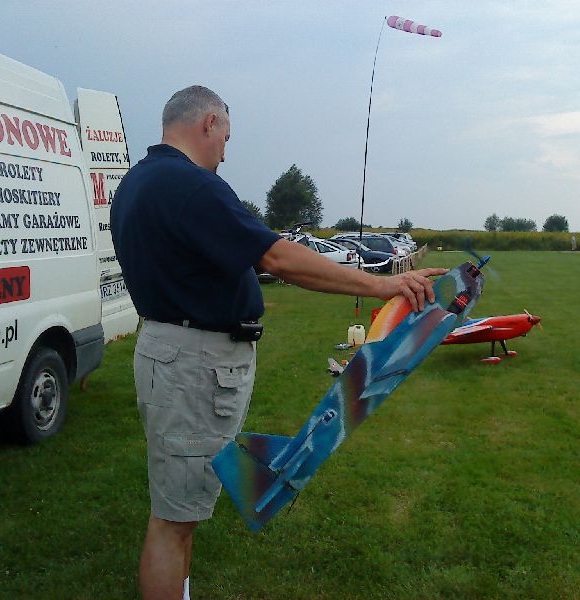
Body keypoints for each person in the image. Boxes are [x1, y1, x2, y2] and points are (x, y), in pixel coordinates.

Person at [110, 85, 446, 600]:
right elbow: (278, 256)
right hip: (192, 365)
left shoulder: (137, 182)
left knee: (184, 510)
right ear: (208, 122)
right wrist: (381, 284)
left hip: (172, 354)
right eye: (226, 137)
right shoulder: (190, 184)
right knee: (174, 520)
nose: (225, 151)